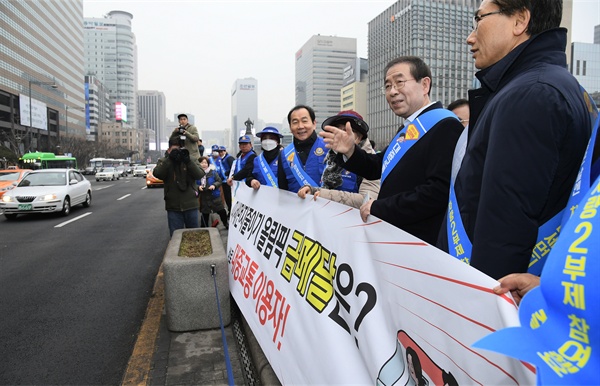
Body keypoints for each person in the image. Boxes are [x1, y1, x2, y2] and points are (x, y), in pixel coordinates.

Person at [438, 0, 592, 279]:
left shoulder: (532, 94)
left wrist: (483, 306)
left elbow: (505, 225)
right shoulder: (553, 86)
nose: (470, 37)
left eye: (479, 19)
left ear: (520, 21)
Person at [320, 56, 463, 245]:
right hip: (396, 238)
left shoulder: (444, 126)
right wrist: (350, 150)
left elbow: (437, 193)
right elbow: (378, 166)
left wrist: (380, 208)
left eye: (400, 82)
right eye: (387, 86)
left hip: (423, 243)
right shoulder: (407, 130)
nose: (392, 92)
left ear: (425, 85)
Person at [297, 111, 380, 209]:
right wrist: (312, 190)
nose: (340, 135)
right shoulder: (330, 157)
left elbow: (367, 200)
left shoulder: (373, 162)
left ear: (359, 137)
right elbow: (324, 188)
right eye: (336, 130)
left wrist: (324, 195)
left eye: (346, 131)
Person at [153, 137, 205, 237]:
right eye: (174, 150)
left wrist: (188, 161)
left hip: (191, 204)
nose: (178, 152)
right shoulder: (164, 161)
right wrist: (170, 159)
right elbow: (158, 174)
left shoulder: (191, 159)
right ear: (168, 150)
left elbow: (199, 174)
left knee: (194, 236)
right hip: (173, 206)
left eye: (180, 150)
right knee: (176, 237)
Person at [279, 105, 328, 193]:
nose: (300, 126)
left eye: (304, 121)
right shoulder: (284, 154)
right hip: (294, 205)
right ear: (290, 127)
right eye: (295, 122)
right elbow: (283, 190)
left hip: (324, 204)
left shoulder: (329, 147)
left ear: (314, 124)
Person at [197, 156, 229, 230]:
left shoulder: (213, 172)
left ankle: (226, 224)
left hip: (214, 196)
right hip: (204, 197)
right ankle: (204, 228)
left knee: (221, 211)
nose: (204, 164)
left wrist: (214, 185)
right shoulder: (197, 174)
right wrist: (198, 187)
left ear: (208, 164)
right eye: (201, 163)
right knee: (205, 214)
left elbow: (219, 181)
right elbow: (194, 184)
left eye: (205, 163)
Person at [218, 145, 235, 212]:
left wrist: (227, 173)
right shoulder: (222, 159)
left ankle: (231, 211)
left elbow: (233, 168)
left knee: (230, 198)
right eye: (219, 152)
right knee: (227, 198)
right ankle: (229, 210)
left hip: (229, 181)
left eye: (221, 151)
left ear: (225, 151)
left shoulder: (229, 158)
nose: (220, 153)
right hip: (224, 181)